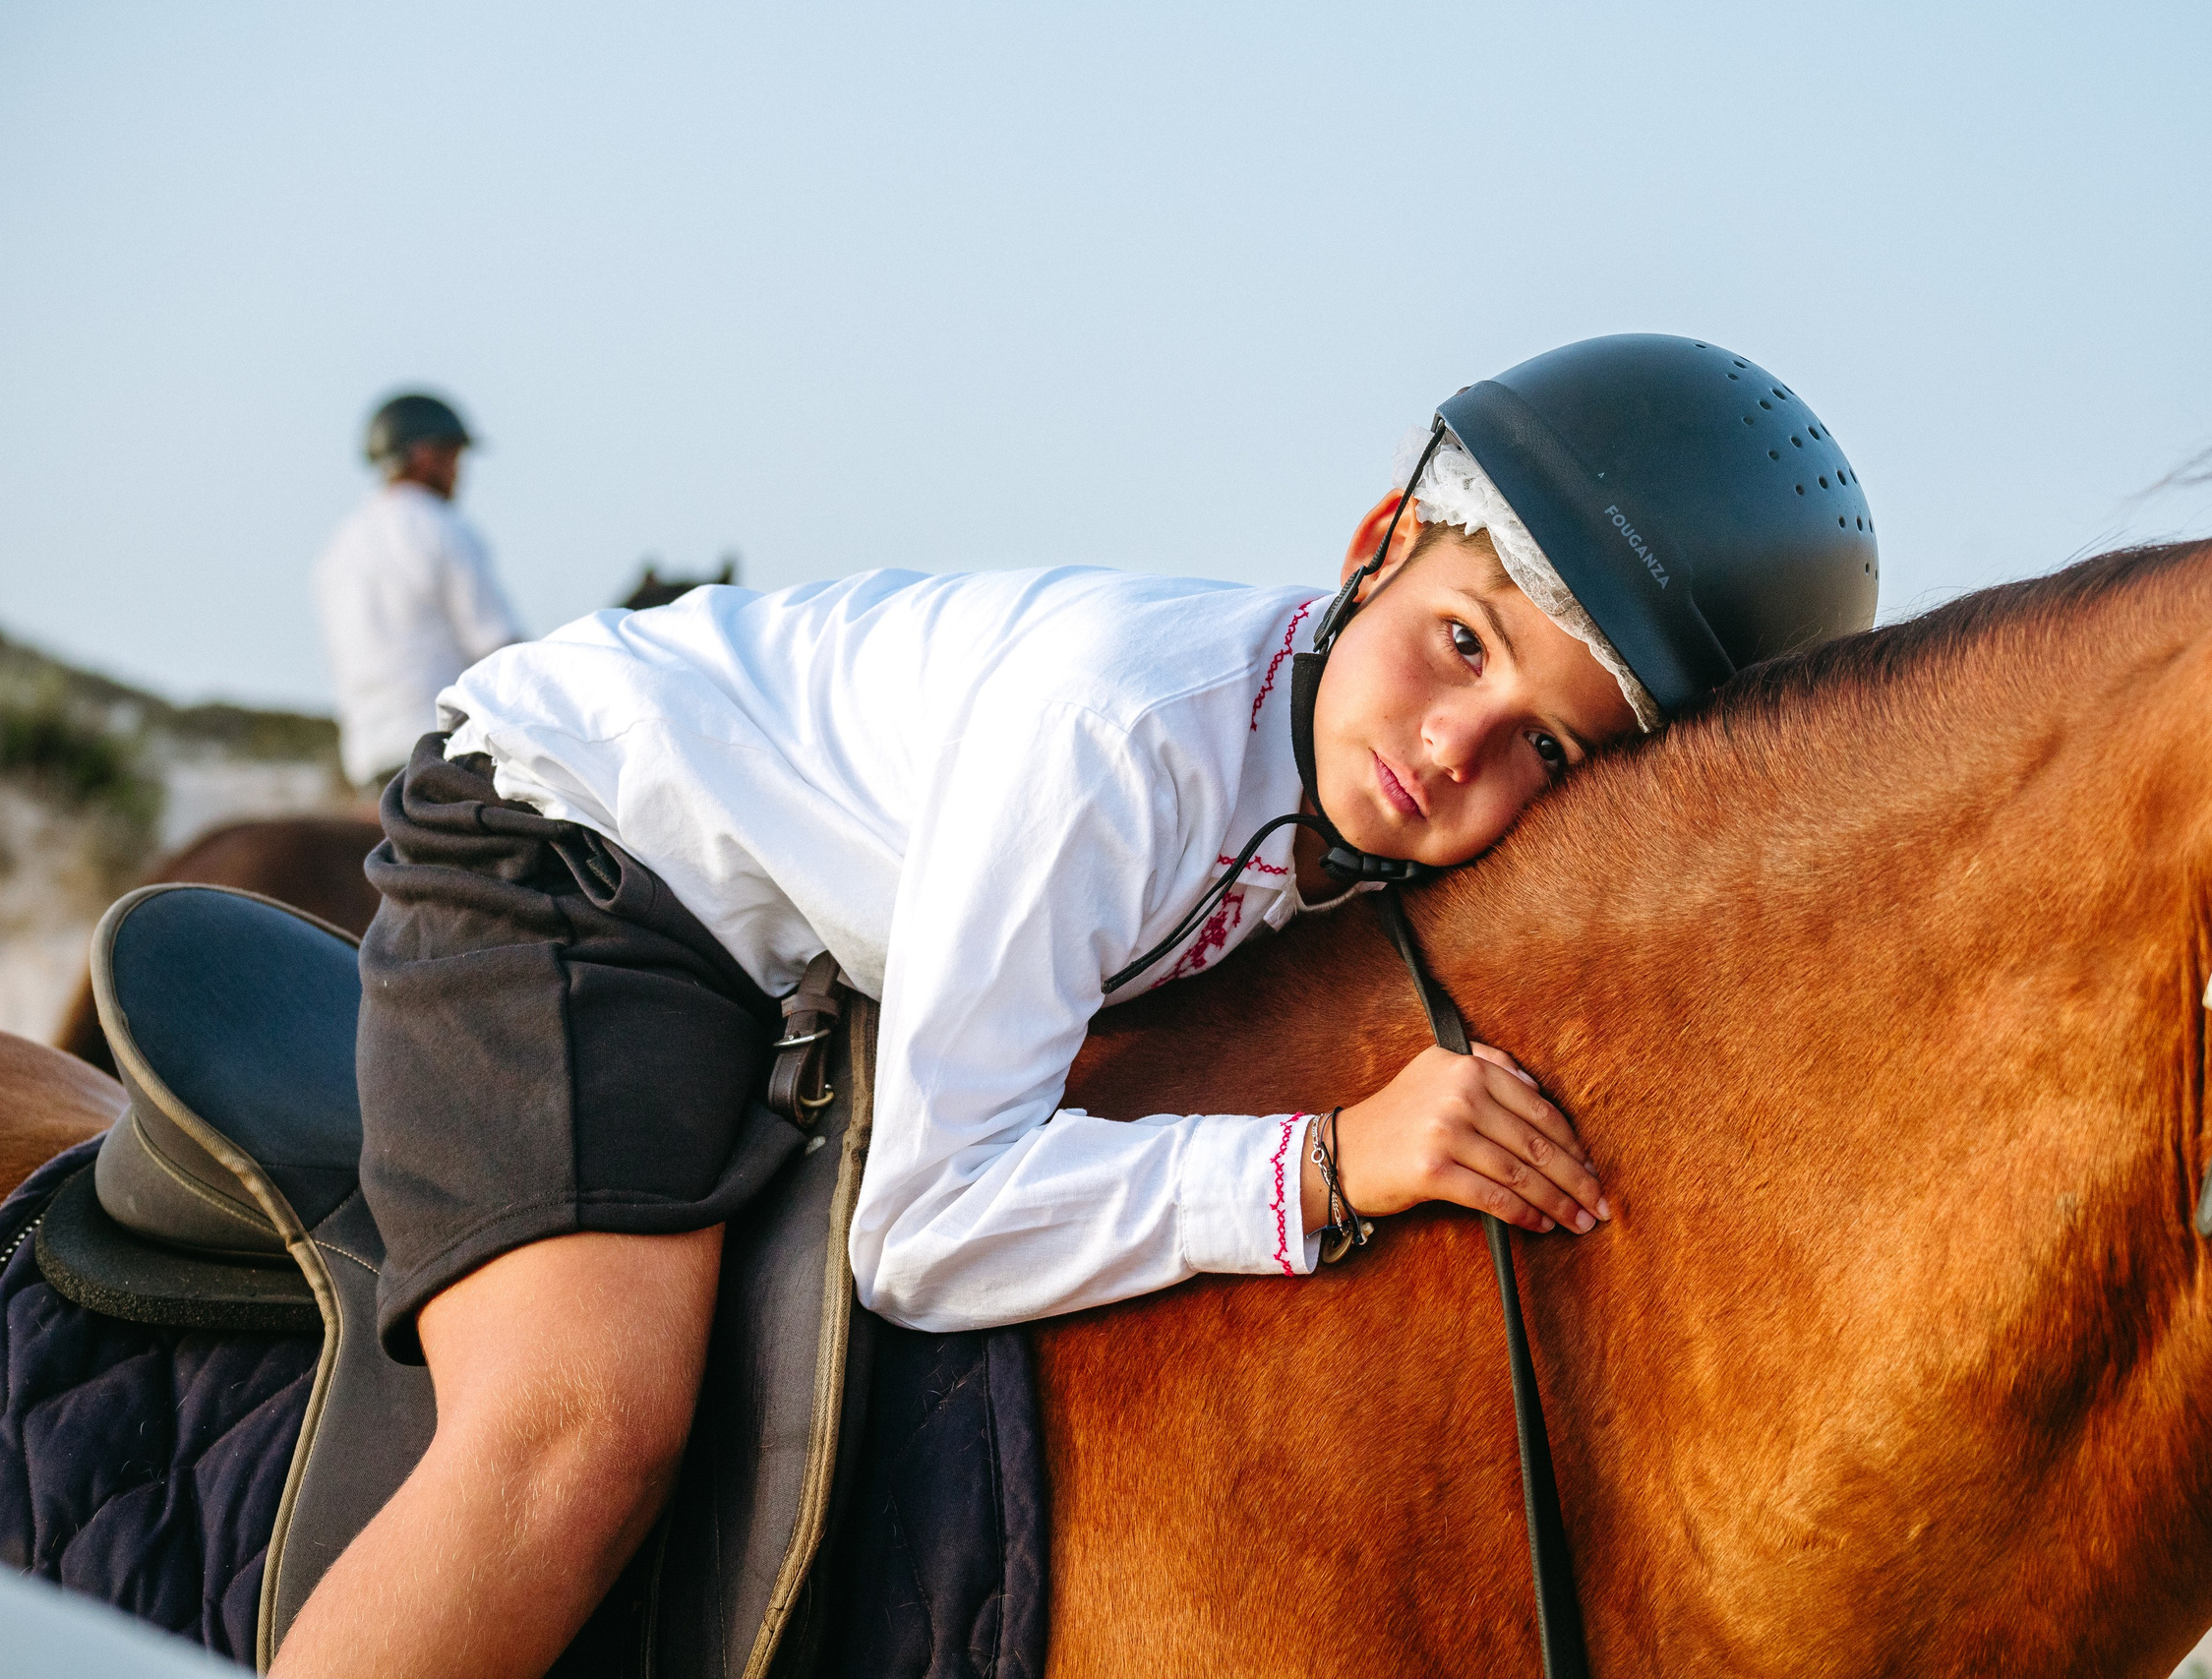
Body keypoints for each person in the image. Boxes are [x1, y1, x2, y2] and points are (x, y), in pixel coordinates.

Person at [271, 335, 1879, 1677]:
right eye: (1462, 641)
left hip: (784, 931)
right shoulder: (1130, 734)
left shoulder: (1353, 809)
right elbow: (925, 1225)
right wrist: (1322, 1165)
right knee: (582, 1427)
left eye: (1545, 746)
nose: (1460, 744)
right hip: (588, 839)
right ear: (1378, 537)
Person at [312, 392, 524, 791]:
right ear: (426, 455)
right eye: (454, 458)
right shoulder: (443, 528)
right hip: (443, 750)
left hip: (369, 758)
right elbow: (498, 650)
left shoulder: (338, 546)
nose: (459, 473)